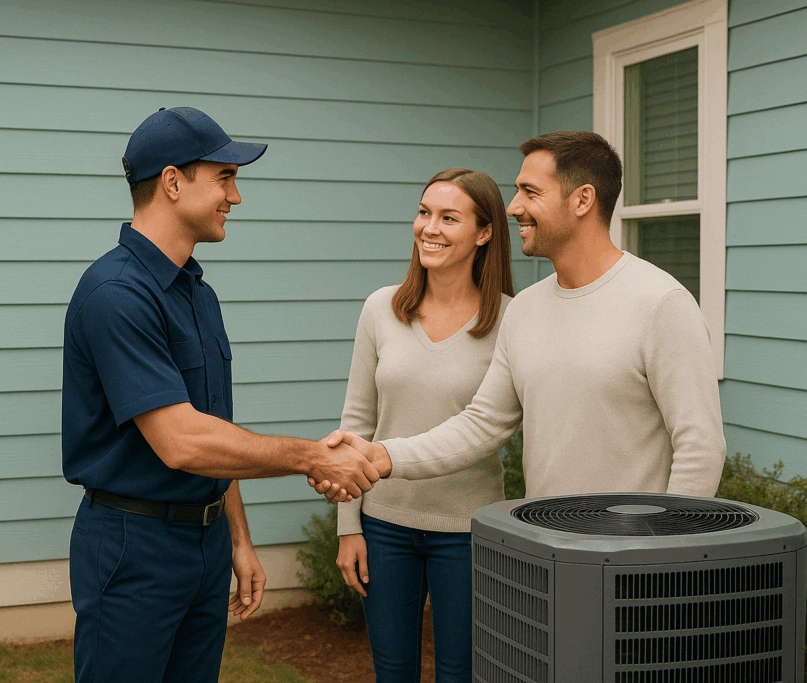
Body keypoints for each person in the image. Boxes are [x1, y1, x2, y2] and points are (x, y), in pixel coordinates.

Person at [61, 106, 379, 683]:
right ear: (173, 182)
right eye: (225, 177)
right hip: (135, 547)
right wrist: (311, 456)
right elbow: (182, 442)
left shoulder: (195, 292)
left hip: (203, 542)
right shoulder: (115, 294)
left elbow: (213, 429)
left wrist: (237, 538)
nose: (236, 196)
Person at [316, 130, 725, 502]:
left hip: (633, 559)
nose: (514, 208)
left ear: (582, 199)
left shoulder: (660, 304)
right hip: (547, 546)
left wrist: (667, 551)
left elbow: (700, 446)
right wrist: (384, 455)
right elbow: (483, 424)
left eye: (530, 192)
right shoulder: (525, 309)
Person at [335, 168, 514, 683]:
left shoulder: (511, 319)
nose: (428, 228)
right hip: (384, 526)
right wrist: (350, 527)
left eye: (448, 217)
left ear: (484, 233)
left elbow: (492, 426)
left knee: (461, 674)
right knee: (393, 673)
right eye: (423, 212)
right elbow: (357, 422)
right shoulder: (381, 309)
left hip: (469, 531)